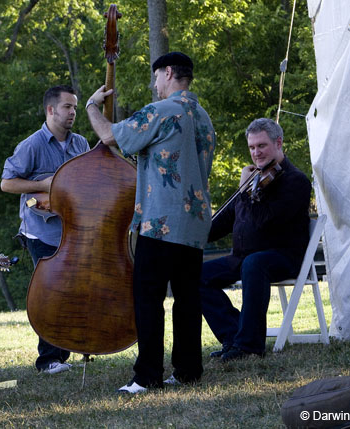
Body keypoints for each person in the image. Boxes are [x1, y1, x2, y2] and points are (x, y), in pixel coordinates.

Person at [86, 52, 216, 393]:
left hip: (161, 221)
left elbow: (111, 136)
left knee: (148, 298)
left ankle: (147, 376)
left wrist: (91, 107)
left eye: (156, 76)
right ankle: (188, 370)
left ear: (169, 73)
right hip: (195, 221)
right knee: (188, 299)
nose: (154, 84)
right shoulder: (203, 117)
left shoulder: (162, 111)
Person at [200, 118, 311, 362]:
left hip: (281, 256)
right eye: (251, 147)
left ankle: (250, 345)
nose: (255, 152)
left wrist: (246, 191)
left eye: (261, 146)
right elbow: (221, 223)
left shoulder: (295, 181)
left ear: (278, 143)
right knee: (196, 275)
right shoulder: (254, 180)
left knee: (254, 263)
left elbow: (264, 221)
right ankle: (234, 336)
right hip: (243, 257)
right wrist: (191, 233)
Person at [0, 85, 90, 374]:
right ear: (51, 110)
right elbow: (7, 183)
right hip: (41, 233)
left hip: (74, 231)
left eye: (75, 107)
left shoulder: (81, 144)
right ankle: (48, 359)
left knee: (72, 290)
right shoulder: (31, 145)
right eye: (67, 107)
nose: (73, 112)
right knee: (51, 291)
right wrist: (43, 184)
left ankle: (63, 353)